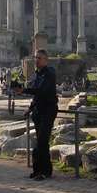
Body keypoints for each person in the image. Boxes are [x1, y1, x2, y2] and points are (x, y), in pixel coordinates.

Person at [15, 49, 58, 181]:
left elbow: (42, 91)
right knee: (40, 142)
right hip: (39, 111)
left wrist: (24, 90)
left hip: (48, 110)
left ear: (46, 60)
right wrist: (30, 108)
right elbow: (37, 96)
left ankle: (44, 171)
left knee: (42, 141)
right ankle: (40, 170)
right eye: (35, 58)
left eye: (39, 58)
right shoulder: (38, 74)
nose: (36, 60)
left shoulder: (50, 73)